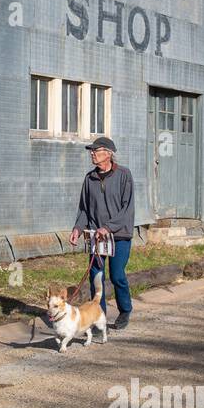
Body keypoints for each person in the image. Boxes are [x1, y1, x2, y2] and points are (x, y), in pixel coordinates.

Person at [68, 136, 134, 330]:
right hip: (97, 235)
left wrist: (109, 227)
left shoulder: (124, 175)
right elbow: (84, 209)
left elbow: (127, 208)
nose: (92, 154)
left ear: (108, 154)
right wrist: (77, 229)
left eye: (95, 151)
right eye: (91, 151)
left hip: (119, 235)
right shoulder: (90, 179)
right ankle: (99, 317)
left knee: (117, 275)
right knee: (96, 277)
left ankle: (125, 309)